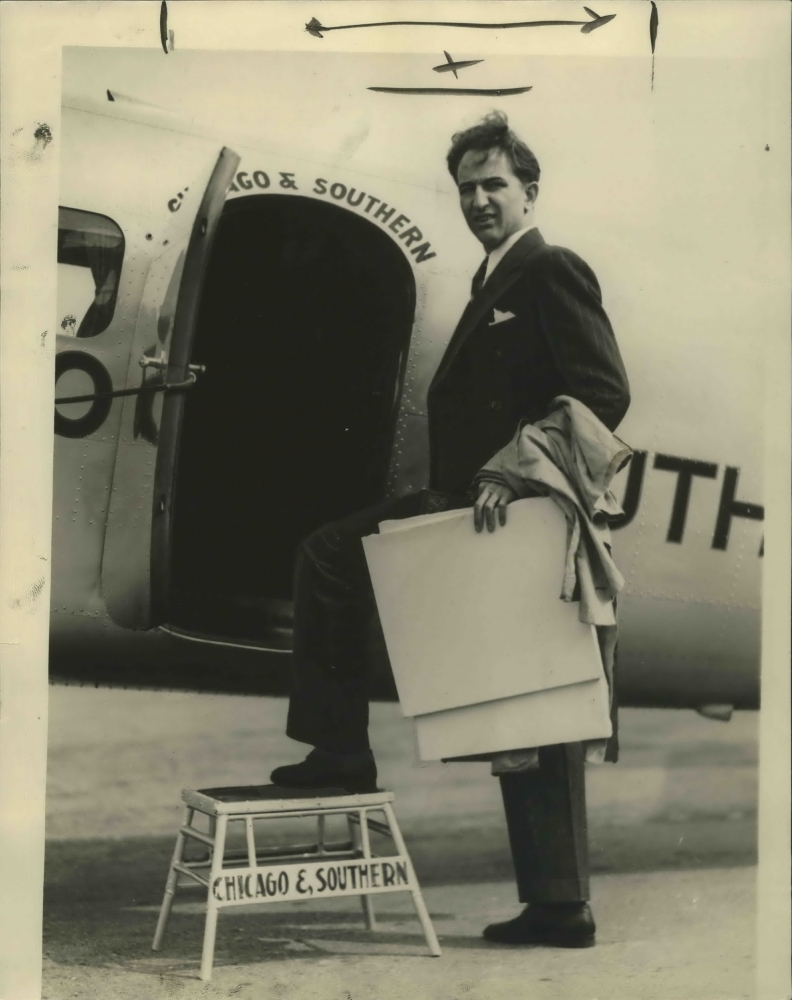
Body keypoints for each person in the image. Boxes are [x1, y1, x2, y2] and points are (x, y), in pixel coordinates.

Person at [271, 111, 630, 947]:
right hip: (482, 511)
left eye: (494, 185)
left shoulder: (549, 270)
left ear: (528, 190)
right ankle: (554, 902)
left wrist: (511, 463)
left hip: (521, 511)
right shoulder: (493, 278)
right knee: (517, 706)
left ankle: (556, 903)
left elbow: (603, 395)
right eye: (466, 188)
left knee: (532, 705)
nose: (478, 200)